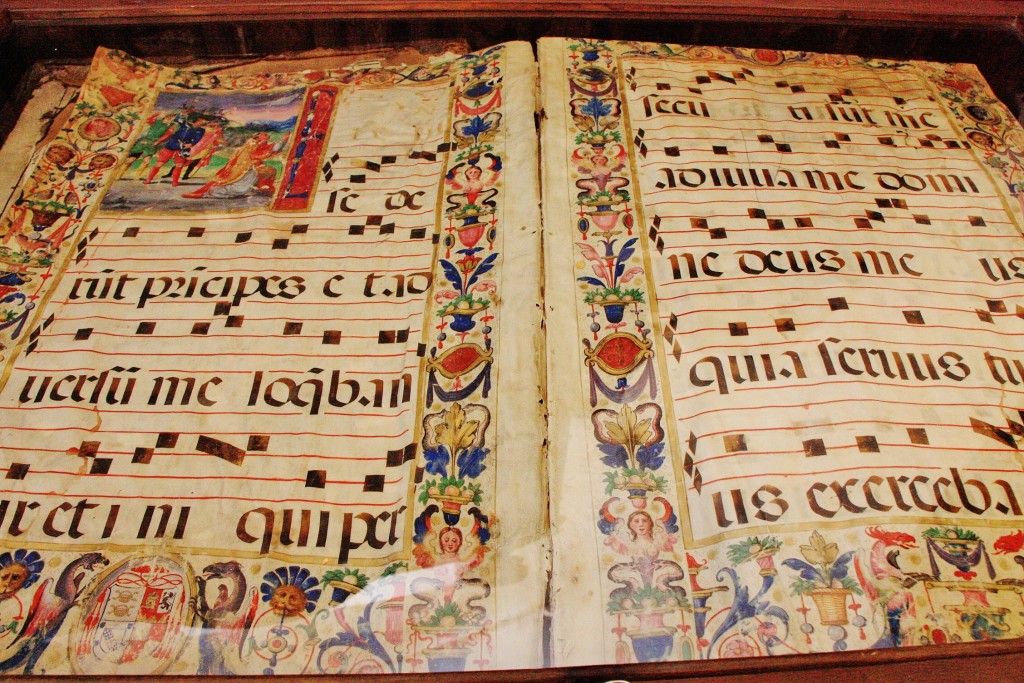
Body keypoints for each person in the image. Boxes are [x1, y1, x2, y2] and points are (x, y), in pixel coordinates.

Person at [182, 132, 282, 199]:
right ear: (258, 136)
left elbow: (268, 149)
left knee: (268, 171)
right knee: (237, 186)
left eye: (266, 135)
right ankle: (209, 192)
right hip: (243, 168)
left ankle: (259, 188)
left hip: (247, 167)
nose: (266, 136)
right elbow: (264, 151)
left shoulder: (257, 143)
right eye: (264, 135)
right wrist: (281, 142)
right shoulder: (252, 143)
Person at [143, 114, 207, 186]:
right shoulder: (182, 124)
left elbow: (197, 138)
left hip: (183, 148)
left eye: (203, 122)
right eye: (200, 121)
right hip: (171, 145)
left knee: (179, 165)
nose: (202, 123)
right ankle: (149, 179)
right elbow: (176, 118)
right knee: (160, 163)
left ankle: (175, 182)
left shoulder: (201, 130)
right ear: (196, 121)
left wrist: (191, 144)